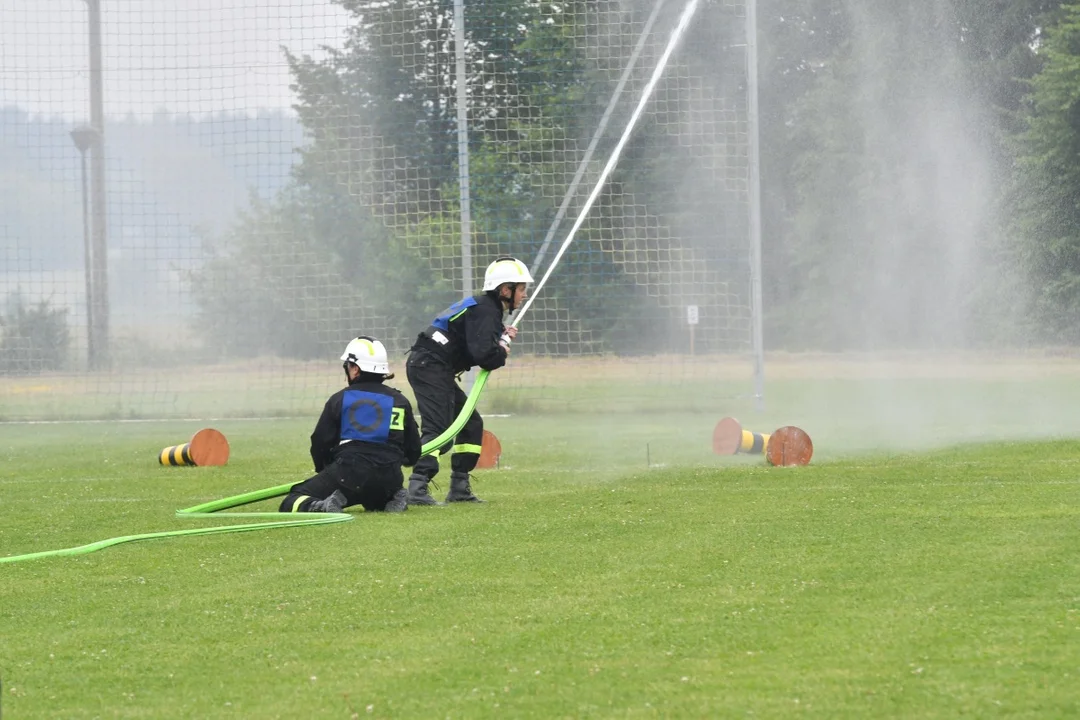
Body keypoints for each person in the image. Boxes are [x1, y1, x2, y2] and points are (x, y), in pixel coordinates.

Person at [405, 256, 533, 505]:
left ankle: (459, 488)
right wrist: (502, 349)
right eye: (521, 289)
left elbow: (477, 343)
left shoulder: (485, 308)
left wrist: (499, 339)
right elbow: (485, 357)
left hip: (434, 367)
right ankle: (417, 487)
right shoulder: (486, 309)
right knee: (438, 428)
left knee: (471, 424)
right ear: (505, 290)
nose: (524, 295)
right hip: (429, 367)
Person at [280, 336, 421, 514]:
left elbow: (320, 442)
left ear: (355, 368)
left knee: (293, 499)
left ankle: (321, 506)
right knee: (373, 499)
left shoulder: (340, 399)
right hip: (390, 477)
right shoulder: (399, 400)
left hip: (349, 475)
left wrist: (327, 470)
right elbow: (414, 450)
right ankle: (391, 498)